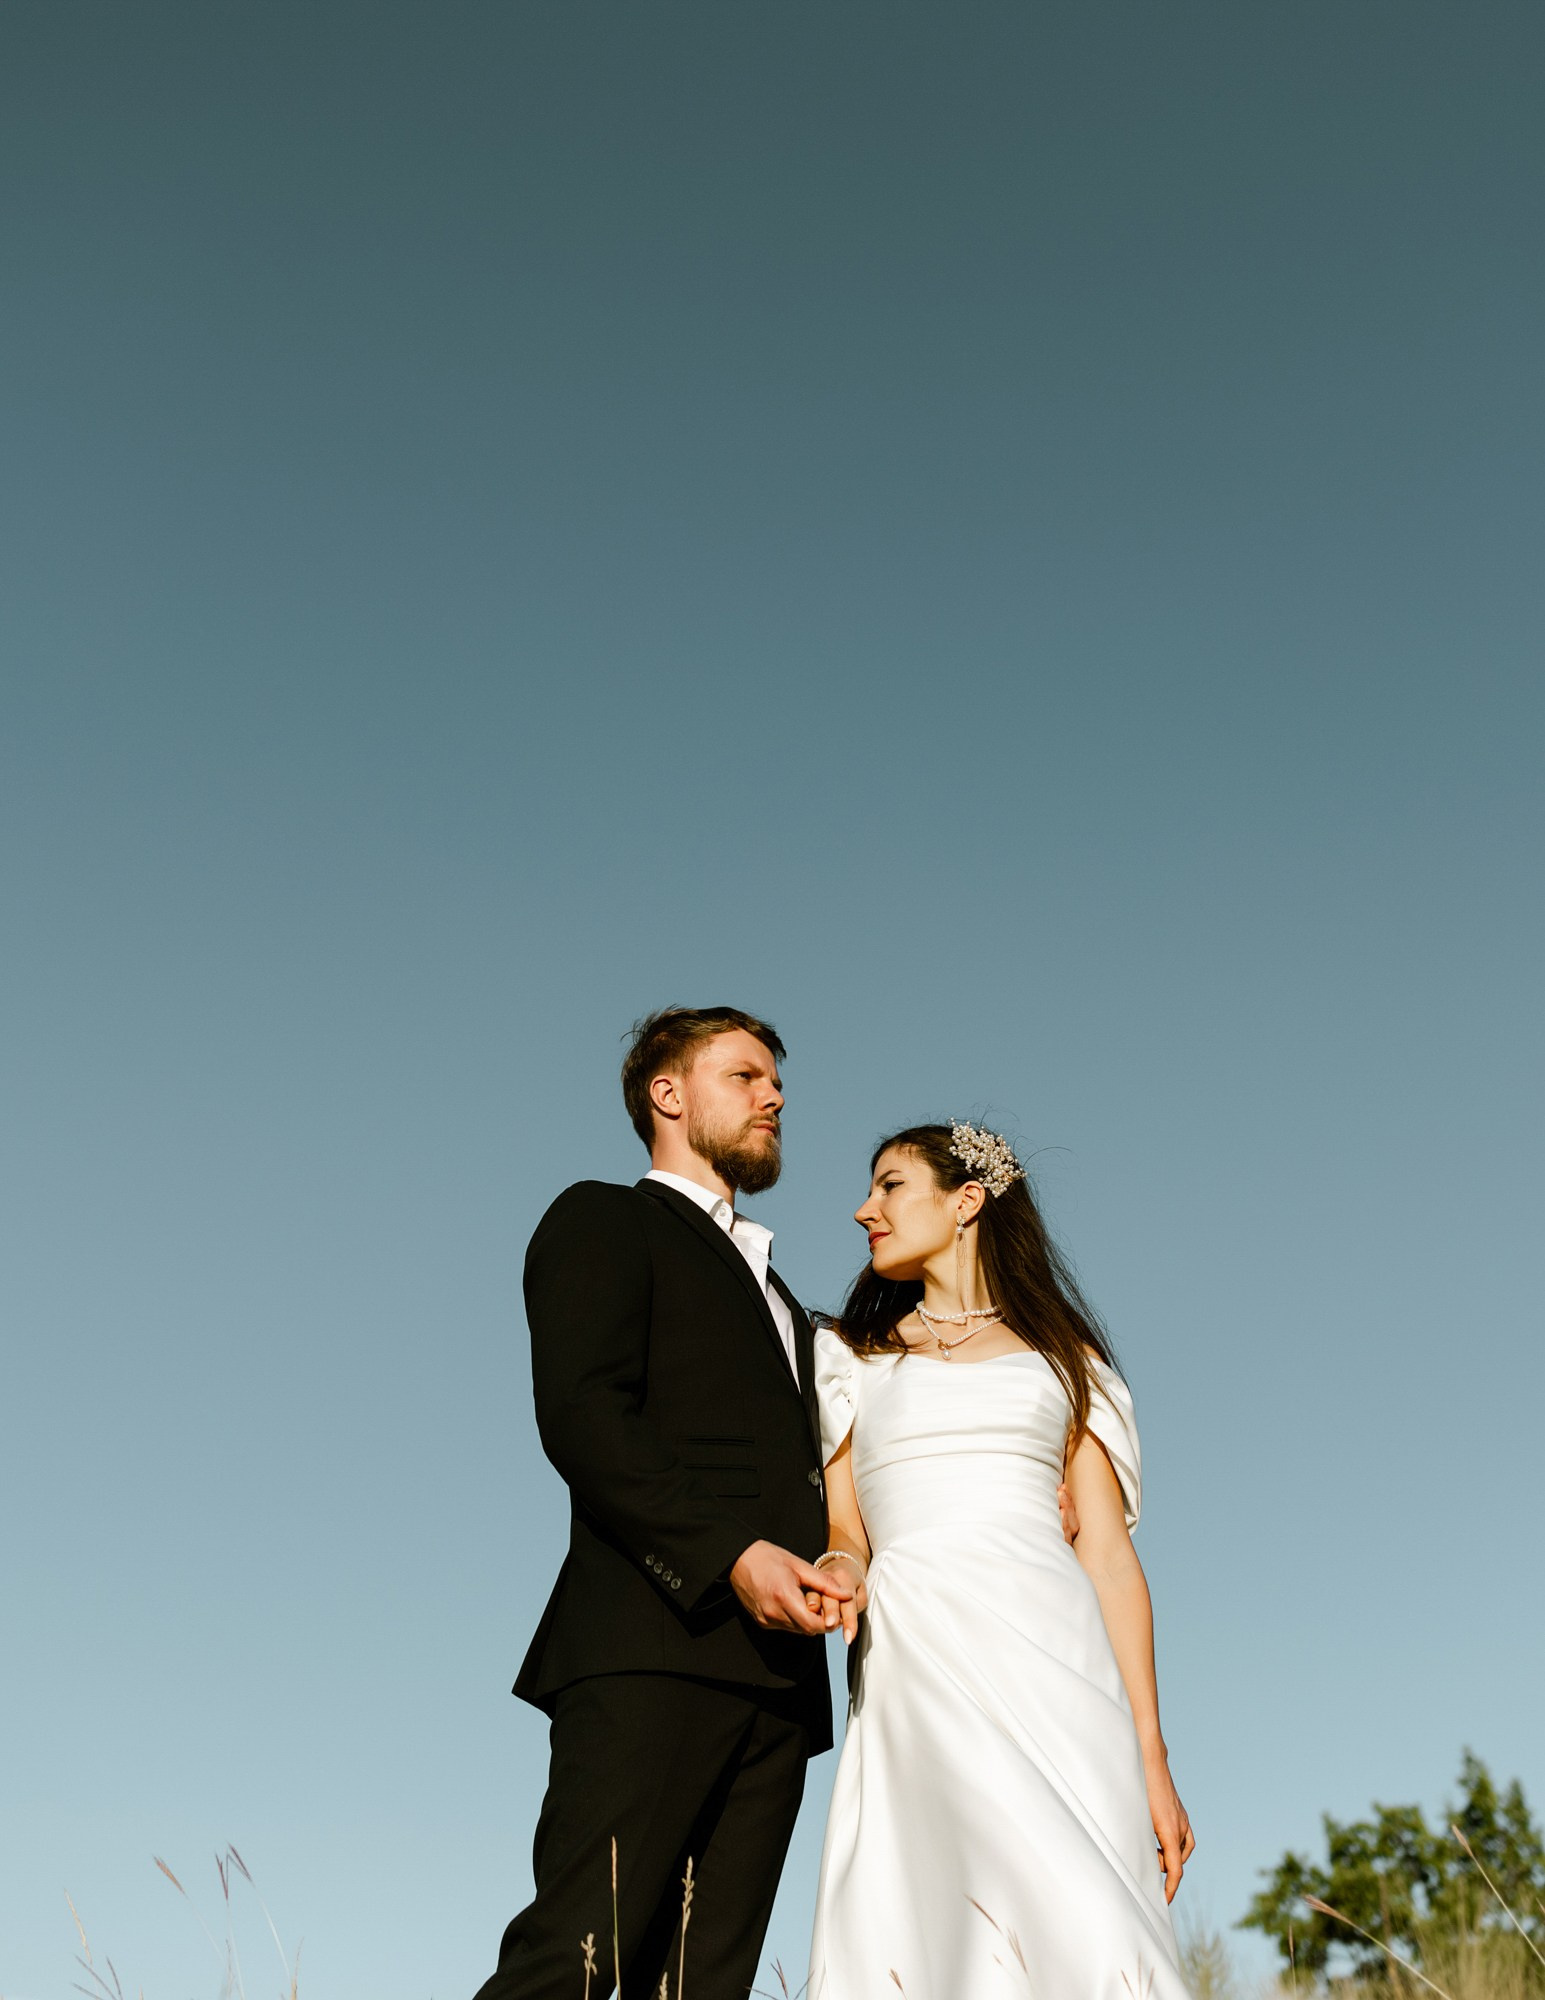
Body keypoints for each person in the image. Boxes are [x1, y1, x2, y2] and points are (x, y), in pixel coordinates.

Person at [473, 1006, 852, 2000]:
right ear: (667, 1092)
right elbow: (586, 1417)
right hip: (651, 1643)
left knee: (700, 1986)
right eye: (746, 1075)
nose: (773, 1095)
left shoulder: (791, 1301)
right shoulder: (604, 1218)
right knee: (576, 1961)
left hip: (781, 1687)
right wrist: (730, 1550)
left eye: (778, 1083)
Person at [807, 1122, 1195, 2000]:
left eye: (889, 1185)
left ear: (966, 1200)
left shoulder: (1068, 1364)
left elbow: (1107, 1558)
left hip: (1058, 1663)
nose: (863, 1209)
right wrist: (838, 1570)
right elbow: (847, 1532)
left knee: (1090, 1913)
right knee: (944, 1914)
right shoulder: (848, 1360)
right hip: (920, 1655)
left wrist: (1151, 1757)